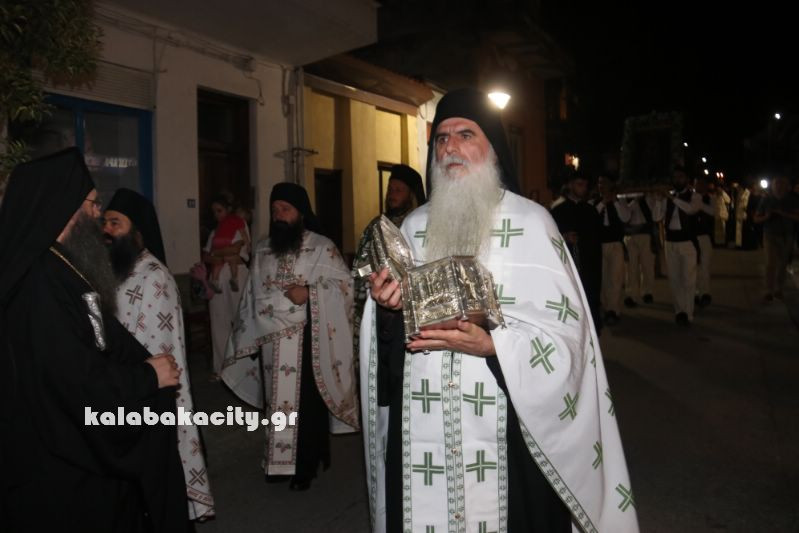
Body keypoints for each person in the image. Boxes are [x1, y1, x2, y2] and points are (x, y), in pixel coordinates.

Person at [361, 89, 638, 532]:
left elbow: (567, 339)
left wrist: (494, 345)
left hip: (509, 422)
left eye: (465, 134)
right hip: (423, 422)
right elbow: (390, 345)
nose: (450, 147)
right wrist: (388, 309)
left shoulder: (531, 223)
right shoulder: (412, 227)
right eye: (441, 138)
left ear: (493, 148)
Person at [0, 148, 187, 532]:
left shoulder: (63, 267)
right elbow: (72, 378)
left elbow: (104, 338)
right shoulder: (38, 284)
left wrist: (143, 363)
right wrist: (146, 378)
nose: (98, 214)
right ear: (63, 208)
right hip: (58, 466)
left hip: (75, 452)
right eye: (92, 204)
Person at [222, 183, 359, 490]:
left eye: (285, 209)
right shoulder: (263, 249)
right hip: (271, 342)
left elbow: (345, 288)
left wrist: (309, 293)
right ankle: (278, 462)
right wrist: (247, 337)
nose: (279, 215)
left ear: (301, 213)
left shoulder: (322, 247)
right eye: (275, 210)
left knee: (306, 407)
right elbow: (251, 294)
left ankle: (304, 467)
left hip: (307, 339)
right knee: (276, 403)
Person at [103, 188, 215, 522]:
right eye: (105, 222)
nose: (106, 230)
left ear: (137, 231)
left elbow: (158, 348)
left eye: (115, 223)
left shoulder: (154, 277)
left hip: (145, 394)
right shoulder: (119, 270)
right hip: (122, 386)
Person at [352, 164, 426, 354]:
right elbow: (361, 263)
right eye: (390, 189)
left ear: (411, 195)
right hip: (378, 301)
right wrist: (370, 279)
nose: (392, 194)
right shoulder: (376, 226)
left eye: (398, 190)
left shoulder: (421, 225)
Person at [203, 195, 250, 379]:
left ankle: (243, 369)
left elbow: (238, 251)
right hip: (218, 277)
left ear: (228, 209)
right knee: (218, 323)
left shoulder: (239, 224)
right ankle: (221, 368)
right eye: (214, 212)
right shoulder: (215, 232)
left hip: (236, 274)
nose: (217, 215)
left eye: (219, 211)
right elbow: (207, 255)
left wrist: (218, 253)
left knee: (240, 321)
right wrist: (219, 255)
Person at [550, 170, 603, 334]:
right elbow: (550, 237)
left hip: (589, 265)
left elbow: (597, 237)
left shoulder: (591, 210)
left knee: (590, 300)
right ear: (570, 185)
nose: (583, 189)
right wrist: (564, 237)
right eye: (579, 185)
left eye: (585, 185)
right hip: (568, 265)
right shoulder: (558, 211)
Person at [664, 166, 703, 326]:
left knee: (688, 279)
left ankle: (688, 312)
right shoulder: (669, 197)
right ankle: (679, 311)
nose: (677, 180)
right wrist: (659, 200)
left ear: (686, 179)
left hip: (687, 242)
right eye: (675, 177)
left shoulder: (695, 196)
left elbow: (691, 210)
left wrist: (672, 199)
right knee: (675, 279)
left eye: (680, 177)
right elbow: (656, 216)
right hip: (670, 242)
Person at [592, 174, 631, 325]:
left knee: (615, 277)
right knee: (602, 278)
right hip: (599, 244)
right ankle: (606, 306)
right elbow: (592, 216)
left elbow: (625, 217)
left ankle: (613, 310)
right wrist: (603, 202)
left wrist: (614, 201)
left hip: (615, 243)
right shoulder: (594, 202)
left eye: (604, 183)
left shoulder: (619, 201)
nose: (601, 186)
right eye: (599, 183)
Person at [753, 174, 799, 301]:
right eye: (776, 184)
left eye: (782, 184)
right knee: (770, 263)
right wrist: (766, 217)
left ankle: (779, 288)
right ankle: (769, 290)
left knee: (782, 264)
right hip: (770, 234)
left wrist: (783, 213)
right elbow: (756, 218)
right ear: (772, 186)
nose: (779, 187)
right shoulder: (766, 200)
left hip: (787, 235)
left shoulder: (792, 200)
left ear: (787, 187)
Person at [623, 192, 665, 307]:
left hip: (645, 233)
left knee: (647, 265)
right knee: (631, 267)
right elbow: (624, 214)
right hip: (630, 235)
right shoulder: (625, 197)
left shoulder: (649, 198)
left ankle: (647, 292)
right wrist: (635, 200)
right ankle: (632, 294)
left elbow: (655, 215)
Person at [693, 177, 716, 307]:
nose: (698, 187)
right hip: (692, 236)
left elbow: (713, 212)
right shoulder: (691, 198)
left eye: (701, 184)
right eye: (697, 184)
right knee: (693, 266)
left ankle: (705, 292)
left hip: (705, 235)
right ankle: (696, 292)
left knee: (705, 265)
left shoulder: (710, 198)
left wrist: (700, 204)